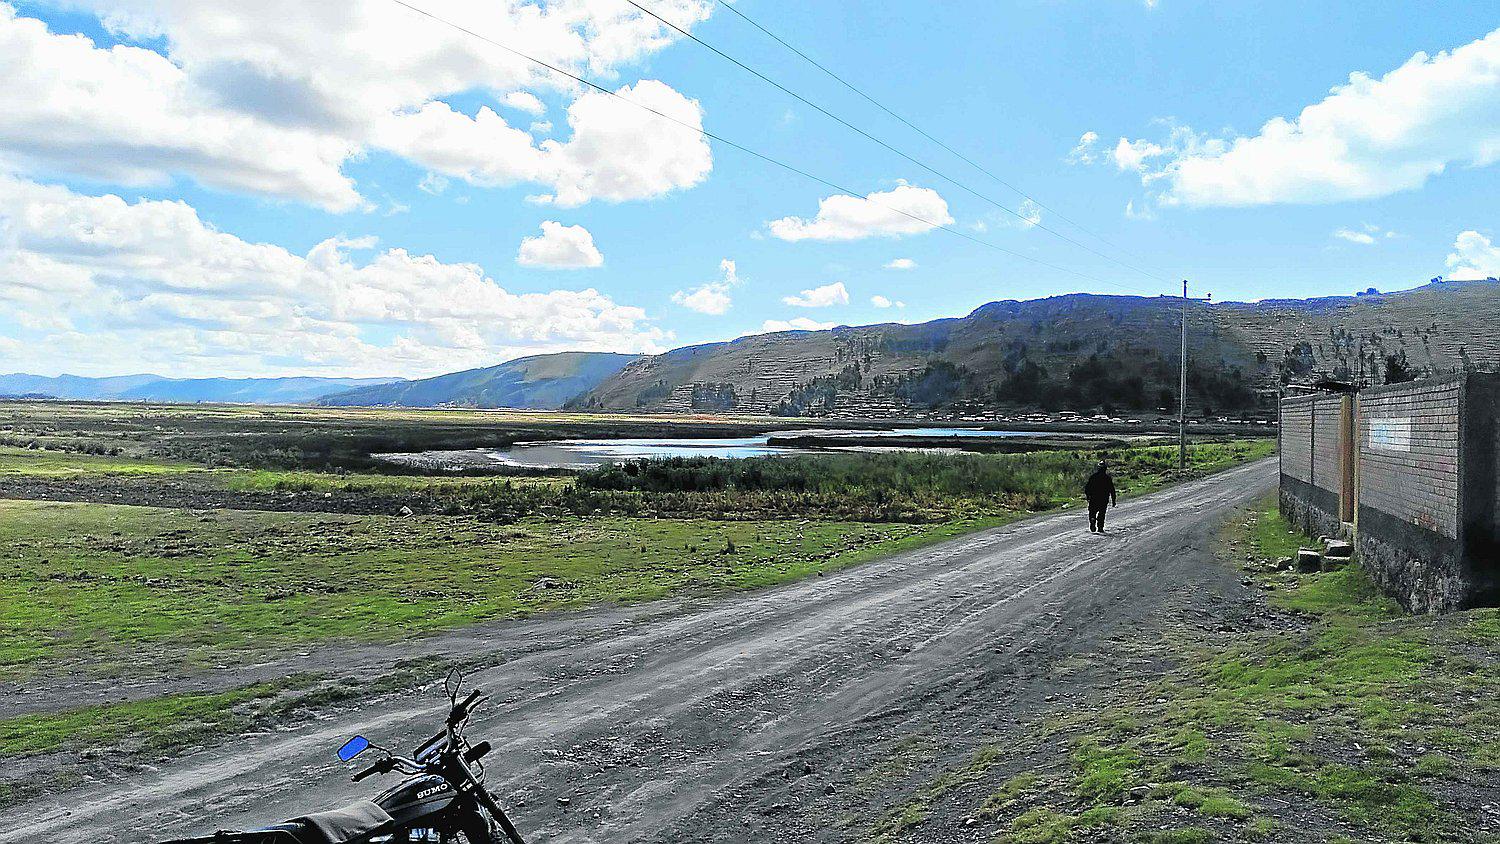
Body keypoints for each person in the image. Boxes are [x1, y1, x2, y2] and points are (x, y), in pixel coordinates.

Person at [1084, 460, 1117, 533]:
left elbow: (1087, 488)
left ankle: (1092, 519)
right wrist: (1113, 501)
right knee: (1101, 514)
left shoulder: (1093, 477)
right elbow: (1112, 490)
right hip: (1103, 499)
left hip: (1094, 498)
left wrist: (1088, 497)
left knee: (1092, 512)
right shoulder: (1107, 478)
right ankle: (1100, 527)